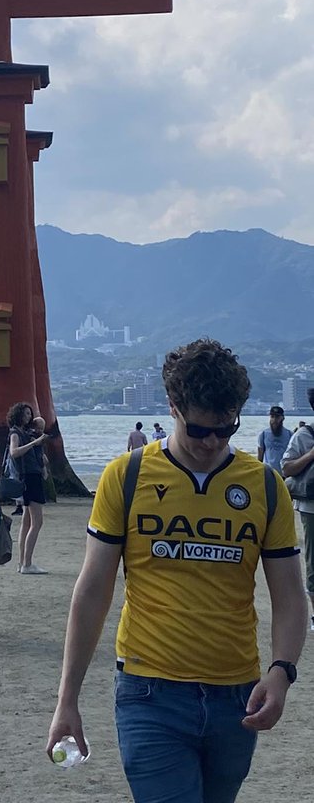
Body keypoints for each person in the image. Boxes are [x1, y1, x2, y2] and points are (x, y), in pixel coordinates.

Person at [47, 338, 307, 803]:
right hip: (150, 694)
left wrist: (281, 672)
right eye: (200, 430)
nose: (211, 443)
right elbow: (91, 592)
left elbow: (290, 594)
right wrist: (67, 699)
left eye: (225, 431)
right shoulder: (125, 477)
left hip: (237, 696)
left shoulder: (266, 487)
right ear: (172, 407)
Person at [281, 387, 314, 634]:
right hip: (311, 508)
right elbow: (287, 468)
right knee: (313, 563)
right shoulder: (304, 435)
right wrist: (312, 454)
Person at [7, 403, 48, 574]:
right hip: (29, 478)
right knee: (37, 521)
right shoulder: (16, 433)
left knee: (26, 521)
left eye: (29, 414)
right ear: (18, 415)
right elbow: (14, 452)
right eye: (25, 414)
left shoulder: (24, 432)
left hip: (30, 476)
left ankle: (22, 562)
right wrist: (35, 443)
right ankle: (27, 563)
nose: (28, 417)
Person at [258, 405, 291, 470]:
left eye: (277, 417)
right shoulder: (263, 434)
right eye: (272, 417)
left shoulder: (290, 434)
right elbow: (259, 458)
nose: (274, 420)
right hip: (268, 473)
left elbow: (293, 456)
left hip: (284, 473)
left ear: (283, 418)